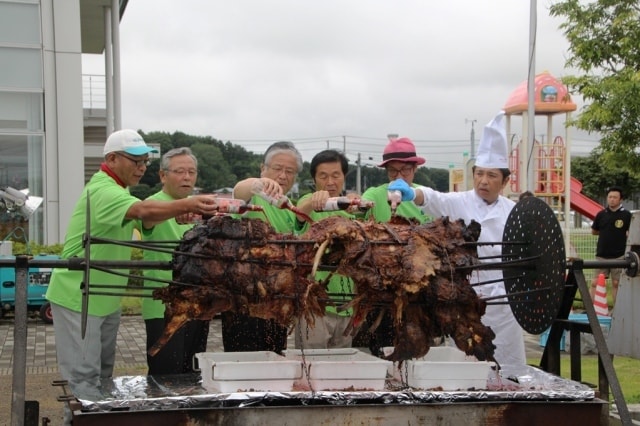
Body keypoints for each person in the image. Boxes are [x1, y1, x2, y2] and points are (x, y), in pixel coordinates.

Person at [45, 129, 218, 423]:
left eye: (145, 162)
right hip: (79, 295)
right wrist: (188, 204)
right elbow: (142, 209)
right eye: (135, 161)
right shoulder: (103, 190)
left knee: (102, 376)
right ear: (111, 158)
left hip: (103, 297)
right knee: (84, 378)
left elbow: (145, 214)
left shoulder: (119, 189)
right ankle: (78, 421)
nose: (141, 168)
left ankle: (92, 420)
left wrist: (177, 211)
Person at [389, 112, 526, 366]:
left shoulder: (514, 212)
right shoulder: (459, 202)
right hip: (466, 303)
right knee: (466, 369)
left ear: (505, 180)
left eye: (492, 176)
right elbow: (431, 198)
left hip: (505, 305)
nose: (483, 181)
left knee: (508, 371)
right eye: (479, 174)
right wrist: (411, 193)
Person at [222, 141, 303, 353]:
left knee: (276, 361)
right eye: (277, 169)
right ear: (263, 168)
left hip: (278, 303)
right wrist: (259, 183)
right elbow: (240, 191)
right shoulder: (253, 197)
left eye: (290, 171)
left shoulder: (289, 208)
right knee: (245, 367)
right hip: (244, 302)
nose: (283, 176)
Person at [354, 137, 430, 356]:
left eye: (405, 170)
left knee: (417, 349)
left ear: (415, 169)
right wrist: (356, 205)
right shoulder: (375, 195)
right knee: (380, 348)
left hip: (417, 292)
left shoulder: (425, 197)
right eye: (393, 171)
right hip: (381, 291)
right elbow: (358, 210)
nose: (399, 177)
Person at [141, 147, 210, 375]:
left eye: (191, 172)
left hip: (197, 304)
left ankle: (189, 413)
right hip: (163, 307)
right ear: (163, 175)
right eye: (180, 171)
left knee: (193, 373)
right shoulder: (152, 205)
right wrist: (180, 208)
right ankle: (162, 412)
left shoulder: (198, 208)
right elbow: (148, 219)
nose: (187, 177)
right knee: (166, 375)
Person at [294, 150, 358, 349]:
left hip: (348, 308)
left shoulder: (352, 209)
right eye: (323, 176)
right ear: (314, 179)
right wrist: (313, 201)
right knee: (312, 368)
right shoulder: (307, 203)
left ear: (344, 177)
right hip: (315, 308)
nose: (330, 181)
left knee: (342, 372)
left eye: (335, 175)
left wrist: (356, 203)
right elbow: (298, 212)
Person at [590, 185, 631, 306]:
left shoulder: (627, 215)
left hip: (619, 255)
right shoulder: (601, 214)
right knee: (595, 283)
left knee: (616, 283)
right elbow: (594, 231)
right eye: (610, 197)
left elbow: (631, 233)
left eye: (615, 197)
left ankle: (617, 310)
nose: (612, 199)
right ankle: (591, 309)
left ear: (620, 200)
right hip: (602, 255)